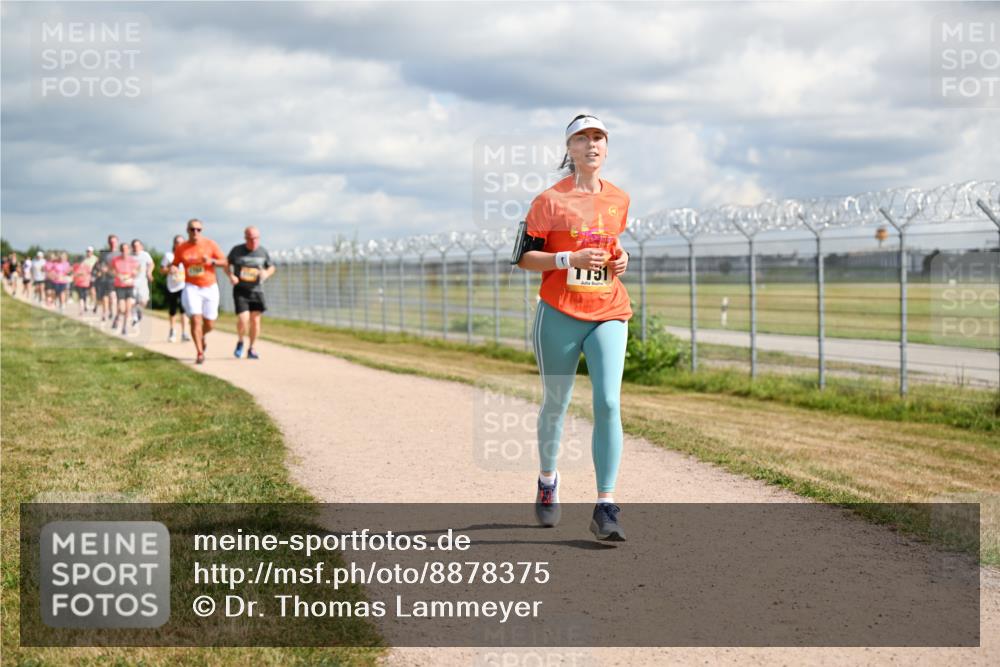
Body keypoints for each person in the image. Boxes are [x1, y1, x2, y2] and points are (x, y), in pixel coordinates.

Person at [516, 114, 632, 541]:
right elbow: (525, 258)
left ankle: (606, 505)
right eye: (582, 139)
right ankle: (548, 481)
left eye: (599, 138)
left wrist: (623, 261)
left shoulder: (619, 198)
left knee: (608, 402)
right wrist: (568, 260)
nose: (592, 145)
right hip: (560, 311)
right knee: (557, 403)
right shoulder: (549, 201)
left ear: (606, 146)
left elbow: (613, 247)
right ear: (569, 149)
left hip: (608, 308)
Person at [172, 218, 227, 364]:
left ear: (201, 231)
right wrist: (173, 268)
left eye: (198, 229)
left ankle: (201, 335)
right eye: (192, 229)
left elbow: (225, 261)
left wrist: (212, 261)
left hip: (210, 286)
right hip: (192, 287)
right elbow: (175, 264)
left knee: (210, 323)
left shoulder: (210, 244)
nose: (195, 232)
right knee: (196, 319)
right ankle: (199, 352)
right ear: (187, 230)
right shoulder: (181, 248)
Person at [227, 226, 275, 359]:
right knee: (243, 319)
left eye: (256, 238)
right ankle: (240, 341)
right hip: (241, 290)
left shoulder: (262, 252)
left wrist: (266, 273)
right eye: (250, 238)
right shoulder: (237, 250)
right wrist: (231, 275)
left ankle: (252, 348)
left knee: (255, 321)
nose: (253, 241)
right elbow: (226, 264)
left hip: (257, 291)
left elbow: (271, 267)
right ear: (245, 238)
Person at [160, 235, 190, 343]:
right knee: (172, 310)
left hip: (184, 285)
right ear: (174, 243)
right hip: (172, 286)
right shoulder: (168, 256)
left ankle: (184, 332)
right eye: (177, 242)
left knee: (184, 309)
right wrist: (169, 270)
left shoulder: (187, 255)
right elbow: (162, 270)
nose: (179, 244)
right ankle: (172, 331)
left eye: (182, 242)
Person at [111, 242, 139, 335]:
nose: (124, 251)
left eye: (126, 249)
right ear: (120, 250)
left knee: (128, 308)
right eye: (122, 249)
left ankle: (124, 328)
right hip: (119, 286)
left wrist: (134, 274)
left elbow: (137, 271)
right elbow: (112, 270)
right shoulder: (116, 260)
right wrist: (119, 276)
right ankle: (117, 317)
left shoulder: (133, 261)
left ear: (129, 250)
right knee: (122, 308)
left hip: (129, 286)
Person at [131, 239, 154, 327]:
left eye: (137, 246)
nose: (136, 248)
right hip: (131, 282)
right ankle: (135, 318)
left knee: (144, 301)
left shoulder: (145, 255)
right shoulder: (129, 256)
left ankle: (139, 311)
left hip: (142, 281)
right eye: (134, 246)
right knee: (132, 301)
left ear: (141, 246)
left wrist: (149, 272)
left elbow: (151, 264)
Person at [81, 246, 98, 311]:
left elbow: (97, 267)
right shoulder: (84, 259)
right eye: (87, 251)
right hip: (85, 277)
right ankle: (86, 304)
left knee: (93, 290)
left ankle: (94, 304)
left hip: (92, 276)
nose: (88, 252)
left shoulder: (95, 258)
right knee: (86, 291)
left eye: (90, 251)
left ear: (92, 252)